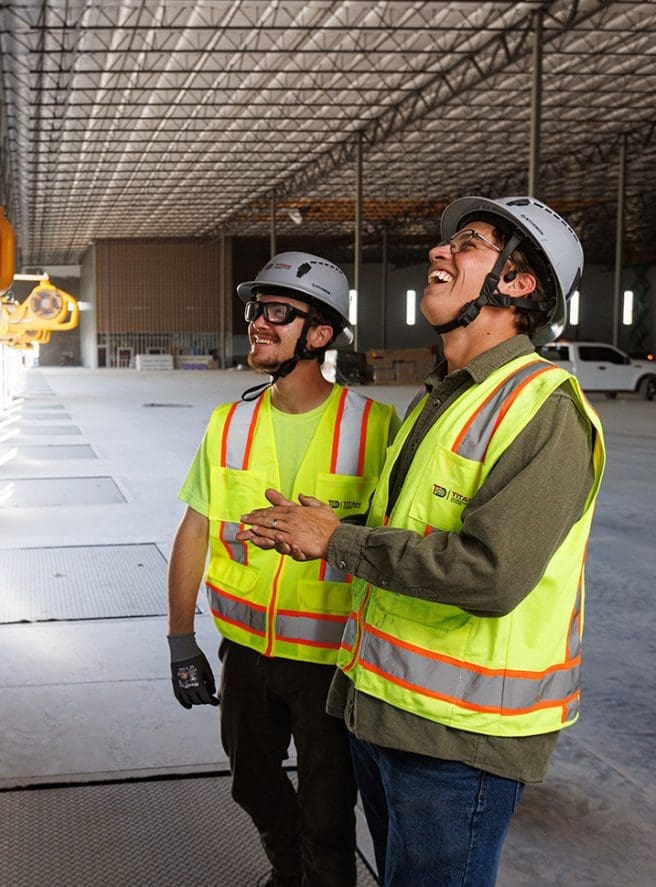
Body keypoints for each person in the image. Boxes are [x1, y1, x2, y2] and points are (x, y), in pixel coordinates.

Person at [238, 197, 606, 886]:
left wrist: (340, 543)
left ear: (518, 283)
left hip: (459, 740)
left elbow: (490, 575)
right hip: (386, 715)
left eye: (465, 244)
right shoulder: (441, 398)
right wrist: (334, 528)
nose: (438, 252)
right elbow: (411, 535)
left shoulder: (545, 410)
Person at [166, 252, 398, 887]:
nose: (257, 324)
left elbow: (395, 542)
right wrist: (181, 637)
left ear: (319, 334)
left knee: (328, 812)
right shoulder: (229, 424)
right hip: (245, 652)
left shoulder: (375, 427)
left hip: (331, 660)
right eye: (254, 310)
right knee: (251, 787)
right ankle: (290, 871)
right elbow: (196, 529)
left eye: (277, 313)